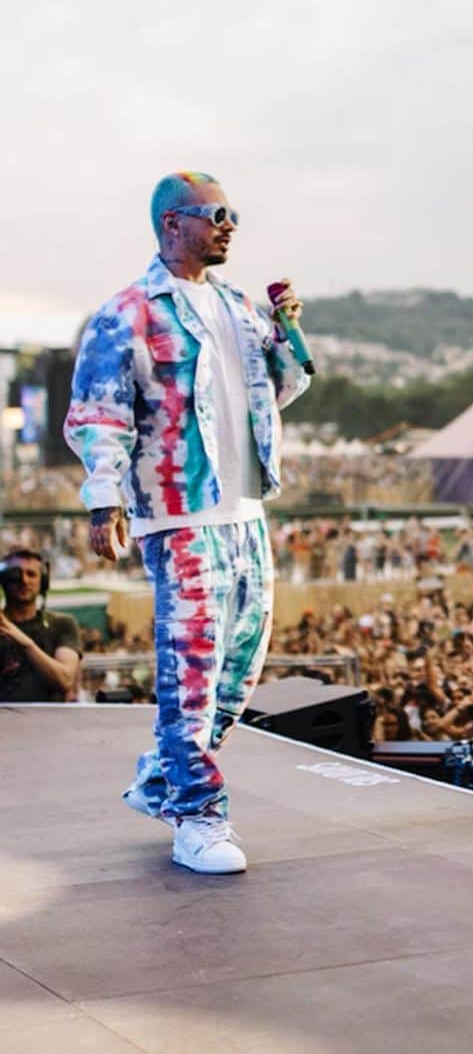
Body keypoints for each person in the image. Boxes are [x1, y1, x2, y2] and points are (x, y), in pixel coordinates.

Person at [65, 172, 310, 874]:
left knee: (240, 670)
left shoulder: (237, 306)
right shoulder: (130, 312)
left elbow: (284, 388)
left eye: (233, 214)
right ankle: (198, 816)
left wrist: (291, 330)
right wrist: (104, 498)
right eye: (216, 214)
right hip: (178, 512)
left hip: (245, 508)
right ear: (173, 225)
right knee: (192, 671)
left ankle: (159, 782)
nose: (230, 225)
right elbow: (98, 413)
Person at [0, 547, 82, 702]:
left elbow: (65, 679)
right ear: (3, 580)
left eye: (31, 574)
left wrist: (26, 644)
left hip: (47, 722)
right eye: (15, 574)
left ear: (43, 580)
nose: (24, 580)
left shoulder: (61, 624)